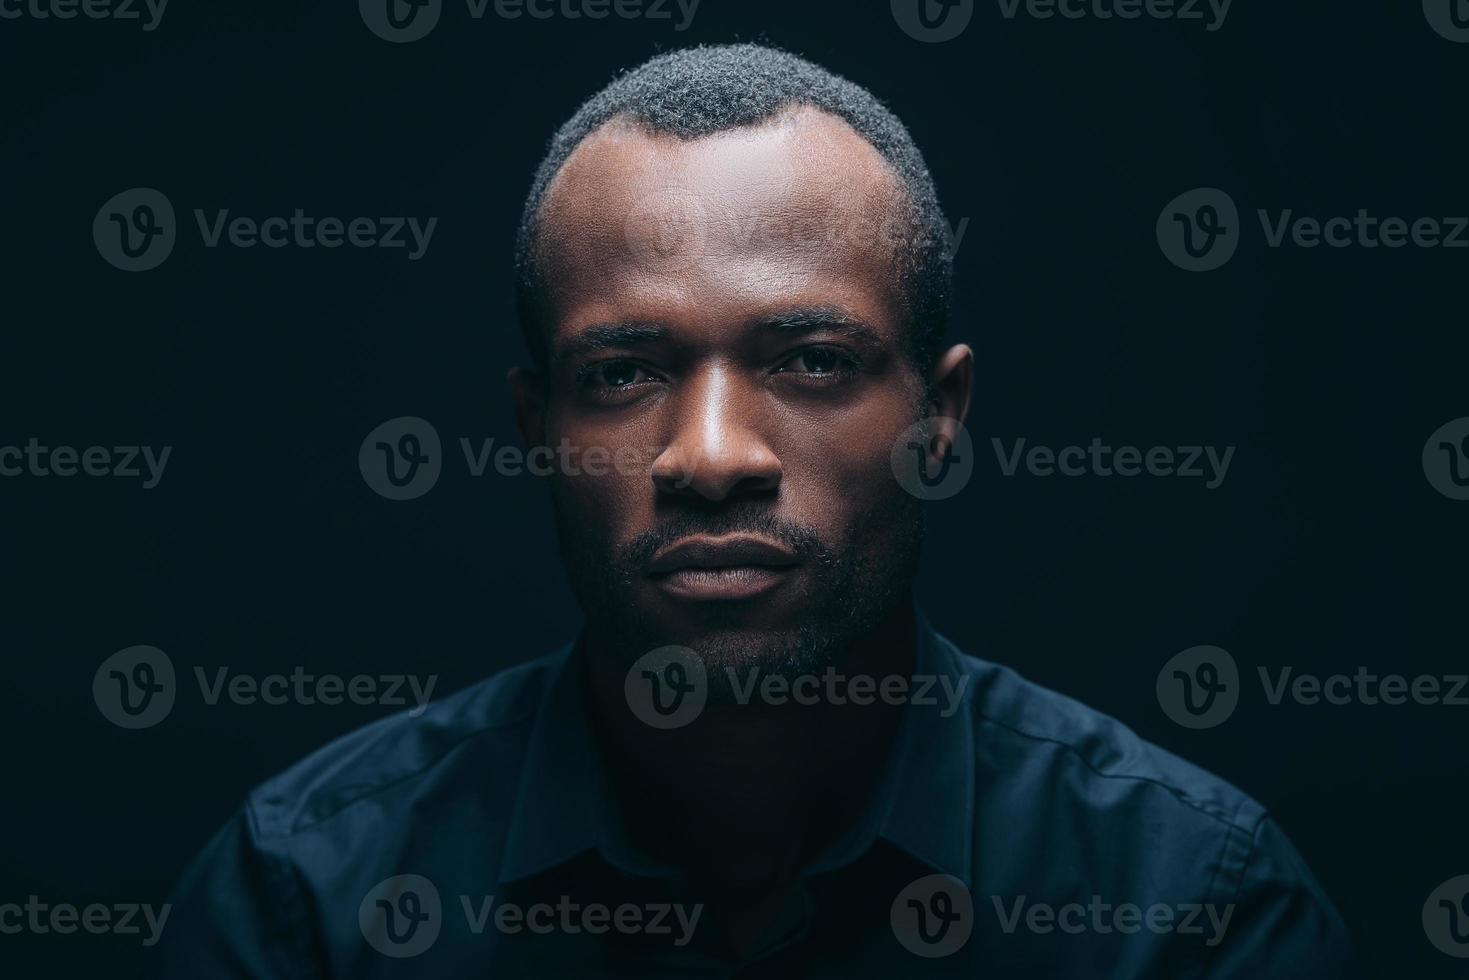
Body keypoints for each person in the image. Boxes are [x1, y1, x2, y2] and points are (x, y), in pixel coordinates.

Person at [146, 43, 1363, 977]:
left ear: (938, 419)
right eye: (622, 372)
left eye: (811, 360)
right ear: (538, 433)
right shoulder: (303, 899)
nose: (711, 454)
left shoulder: (1190, 911)